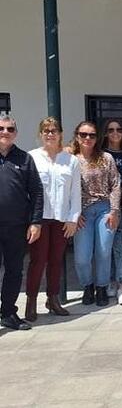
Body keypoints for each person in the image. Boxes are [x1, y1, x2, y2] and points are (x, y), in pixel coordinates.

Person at [26, 117, 81, 320]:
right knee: (38, 261)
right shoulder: (31, 158)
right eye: (46, 131)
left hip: (61, 218)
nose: (50, 134)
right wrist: (32, 221)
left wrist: (73, 218)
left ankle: (53, 298)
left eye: (54, 130)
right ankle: (31, 301)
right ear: (40, 134)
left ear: (60, 134)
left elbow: (75, 192)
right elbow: (27, 192)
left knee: (57, 260)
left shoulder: (71, 160)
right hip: (39, 219)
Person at [72, 121, 121, 307]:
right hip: (81, 213)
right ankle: (87, 286)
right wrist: (73, 214)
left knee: (103, 251)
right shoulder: (71, 159)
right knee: (82, 257)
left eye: (91, 135)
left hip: (104, 210)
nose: (87, 138)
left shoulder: (106, 158)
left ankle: (101, 287)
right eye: (83, 134)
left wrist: (114, 211)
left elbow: (115, 184)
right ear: (77, 136)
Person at [0, 115, 43, 331]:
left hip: (16, 227)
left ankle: (8, 313)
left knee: (14, 271)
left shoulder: (24, 159)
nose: (5, 132)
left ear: (15, 133)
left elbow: (36, 191)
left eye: (9, 129)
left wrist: (36, 222)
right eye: (1, 128)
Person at [102, 119, 122, 305]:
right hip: (103, 209)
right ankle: (108, 281)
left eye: (119, 129)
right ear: (105, 133)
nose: (115, 133)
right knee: (104, 249)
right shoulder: (100, 154)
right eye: (111, 130)